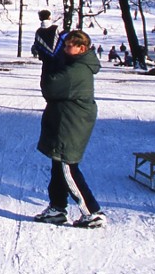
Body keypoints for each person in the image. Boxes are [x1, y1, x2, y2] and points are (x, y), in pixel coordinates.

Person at [33, 30, 106, 229]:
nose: (64, 50)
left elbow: (50, 87)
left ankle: (92, 212)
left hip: (71, 124)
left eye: (68, 47)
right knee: (58, 166)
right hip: (67, 121)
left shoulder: (78, 71)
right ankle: (57, 207)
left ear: (81, 48)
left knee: (68, 169)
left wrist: (49, 61)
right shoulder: (76, 64)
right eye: (64, 46)